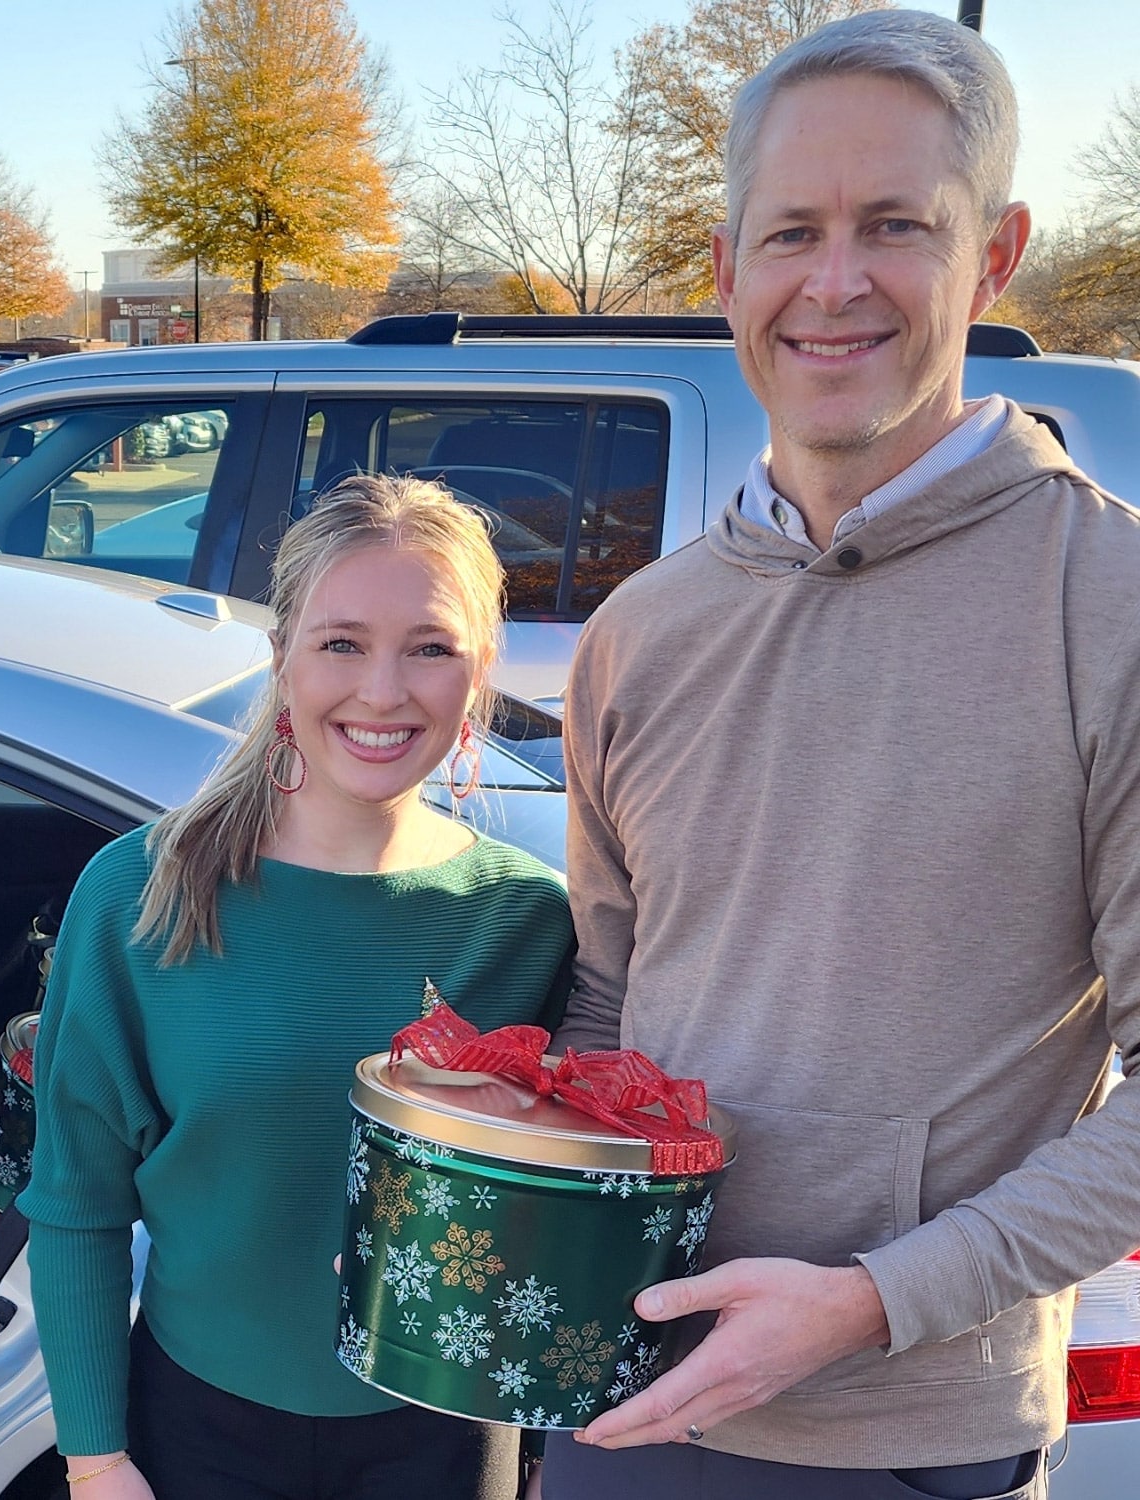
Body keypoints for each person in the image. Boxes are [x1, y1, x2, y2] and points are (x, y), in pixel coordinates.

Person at [546, 11, 1140, 1499]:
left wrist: (874, 1302)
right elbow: (612, 997)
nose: (833, 283)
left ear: (994, 255)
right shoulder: (640, 631)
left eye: (895, 225)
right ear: (724, 266)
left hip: (913, 1442)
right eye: (790, 232)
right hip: (623, 1409)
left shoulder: (1111, 606)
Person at [17, 473, 577, 1500]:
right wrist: (94, 1460)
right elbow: (74, 1203)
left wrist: (544, 1450)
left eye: (430, 648)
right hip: (199, 1431)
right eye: (341, 643)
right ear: (282, 659)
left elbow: (560, 1226)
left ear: (478, 673)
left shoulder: (530, 918)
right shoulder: (143, 895)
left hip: (449, 1441)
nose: (383, 692)